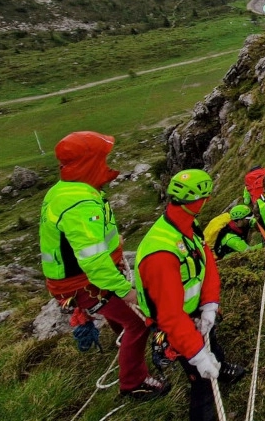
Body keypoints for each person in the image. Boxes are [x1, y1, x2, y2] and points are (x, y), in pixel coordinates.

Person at [39, 131, 169, 400]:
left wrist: (115, 245)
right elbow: (93, 261)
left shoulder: (64, 191)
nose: (107, 162)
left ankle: (125, 347)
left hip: (77, 280)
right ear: (89, 162)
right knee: (139, 323)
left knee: (122, 318)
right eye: (103, 157)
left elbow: (81, 243)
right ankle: (134, 382)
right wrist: (126, 290)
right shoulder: (82, 203)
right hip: (86, 283)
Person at [135, 169, 246, 421]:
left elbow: (205, 262)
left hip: (193, 310)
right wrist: (197, 354)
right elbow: (170, 316)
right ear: (199, 201)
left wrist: (209, 303)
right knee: (202, 384)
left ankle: (220, 363)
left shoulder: (185, 225)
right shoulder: (161, 254)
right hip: (175, 323)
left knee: (213, 343)